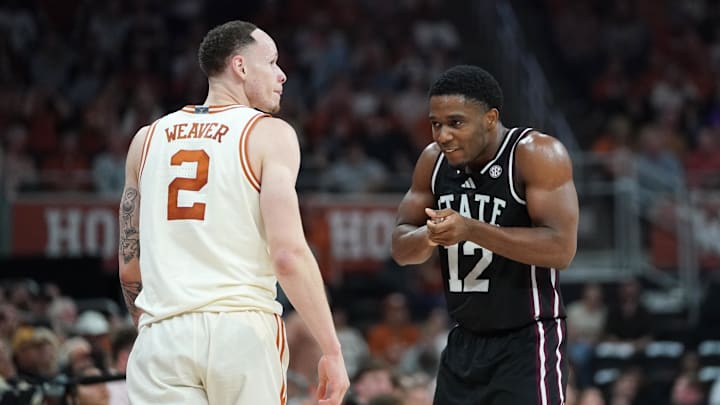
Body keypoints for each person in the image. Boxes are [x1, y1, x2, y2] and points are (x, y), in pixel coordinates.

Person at [117, 20, 349, 405]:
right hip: (241, 329)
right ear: (240, 67)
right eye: (272, 62)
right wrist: (332, 349)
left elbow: (129, 264)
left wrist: (152, 327)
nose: (282, 74)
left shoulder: (146, 139)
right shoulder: (269, 134)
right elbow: (288, 255)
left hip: (162, 333)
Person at [391, 65, 579, 404]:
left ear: (490, 118)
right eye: (436, 124)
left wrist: (471, 229)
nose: (442, 135)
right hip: (464, 342)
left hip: (527, 339)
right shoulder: (432, 162)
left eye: (456, 123)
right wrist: (430, 236)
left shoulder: (536, 154)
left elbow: (561, 249)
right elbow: (402, 248)